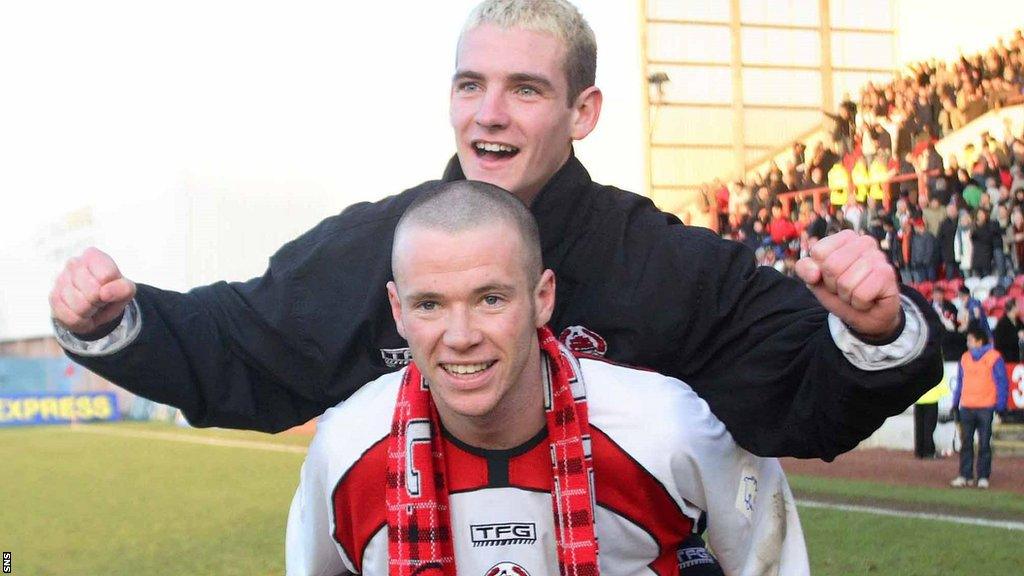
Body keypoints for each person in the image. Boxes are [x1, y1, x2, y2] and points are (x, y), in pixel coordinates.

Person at [47, 0, 942, 461]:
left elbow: (801, 394)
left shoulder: (665, 263)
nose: (490, 114)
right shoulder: (374, 247)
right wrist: (109, 323)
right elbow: (242, 344)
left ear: (583, 111)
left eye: (525, 89)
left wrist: (870, 327)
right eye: (470, 85)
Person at [285, 181, 810, 575]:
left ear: (542, 298)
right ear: (397, 311)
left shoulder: (666, 427)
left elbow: (770, 554)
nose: (461, 335)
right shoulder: (346, 448)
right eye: (430, 304)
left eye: (491, 299)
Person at [950, 327, 1009, 489]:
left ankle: (983, 476)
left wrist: (1001, 405)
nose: (967, 343)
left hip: (986, 407)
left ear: (979, 341)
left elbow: (1002, 382)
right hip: (967, 406)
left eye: (970, 340)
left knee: (984, 444)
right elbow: (960, 383)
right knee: (966, 443)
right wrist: (955, 403)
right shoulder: (965, 358)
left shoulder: (994, 357)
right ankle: (965, 475)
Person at [992, 298, 1023, 362]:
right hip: (1007, 357)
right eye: (1018, 306)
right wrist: (1017, 336)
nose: (1020, 307)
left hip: (1018, 353)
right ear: (1013, 308)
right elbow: (999, 343)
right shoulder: (1002, 323)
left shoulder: (1018, 321)